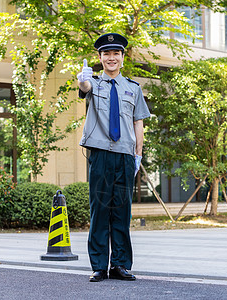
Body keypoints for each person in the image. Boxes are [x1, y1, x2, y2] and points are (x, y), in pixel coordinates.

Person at [77, 33, 150, 282]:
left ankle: (120, 265)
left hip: (125, 156)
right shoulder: (93, 83)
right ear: (100, 58)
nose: (111, 58)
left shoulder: (133, 88)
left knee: (122, 211)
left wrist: (138, 155)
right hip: (100, 155)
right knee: (99, 210)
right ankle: (98, 265)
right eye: (106, 54)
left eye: (115, 53)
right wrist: (82, 81)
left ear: (122, 58)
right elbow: (84, 89)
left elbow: (138, 122)